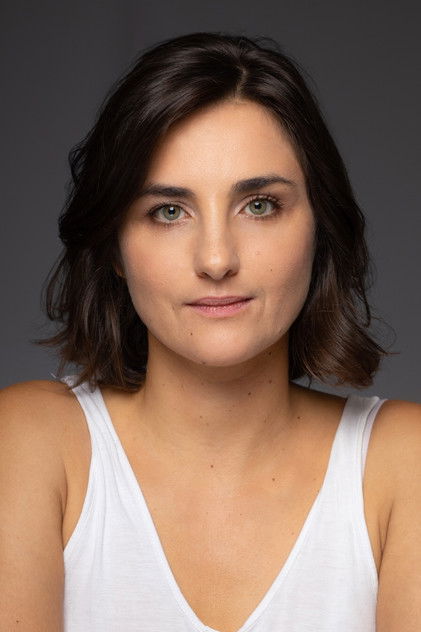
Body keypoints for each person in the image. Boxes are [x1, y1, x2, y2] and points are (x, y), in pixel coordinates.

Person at [0, 31, 420, 632]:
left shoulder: (404, 461)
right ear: (114, 246)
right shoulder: (30, 443)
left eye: (260, 205)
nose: (217, 259)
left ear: (320, 227)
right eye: (169, 212)